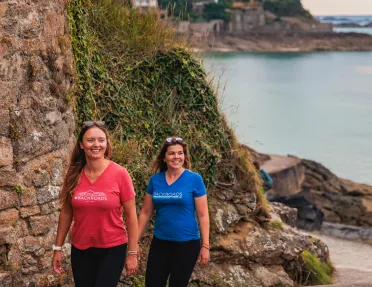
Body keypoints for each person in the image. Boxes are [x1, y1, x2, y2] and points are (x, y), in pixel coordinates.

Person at [52, 121, 138, 287]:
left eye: (101, 140)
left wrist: (132, 252)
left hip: (112, 249)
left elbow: (131, 216)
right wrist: (57, 247)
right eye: (90, 140)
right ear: (82, 145)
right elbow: (66, 213)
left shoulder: (120, 174)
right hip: (81, 249)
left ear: (106, 144)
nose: (96, 144)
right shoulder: (74, 174)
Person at [138, 137, 210, 287]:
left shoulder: (194, 179)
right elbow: (146, 212)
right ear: (164, 157)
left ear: (184, 156)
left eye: (180, 153)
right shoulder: (155, 180)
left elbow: (203, 214)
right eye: (171, 153)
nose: (176, 157)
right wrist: (134, 242)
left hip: (187, 244)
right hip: (160, 243)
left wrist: (205, 245)